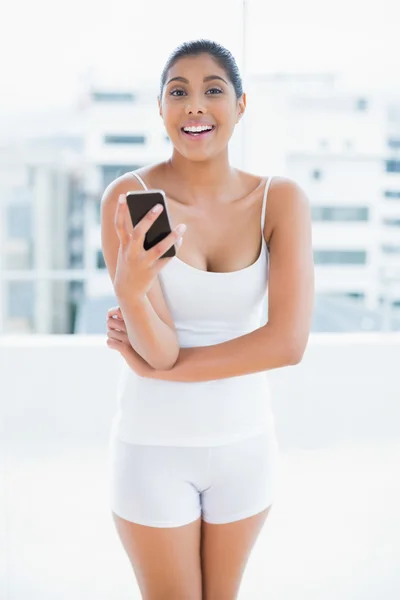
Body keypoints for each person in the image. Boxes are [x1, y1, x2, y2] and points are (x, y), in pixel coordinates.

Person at [101, 39, 314, 600]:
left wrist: (159, 371)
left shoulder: (280, 201)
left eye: (212, 90)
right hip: (153, 450)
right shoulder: (131, 197)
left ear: (241, 105)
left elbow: (288, 343)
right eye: (179, 92)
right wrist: (130, 288)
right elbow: (162, 348)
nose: (194, 106)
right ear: (161, 108)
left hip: (245, 448)